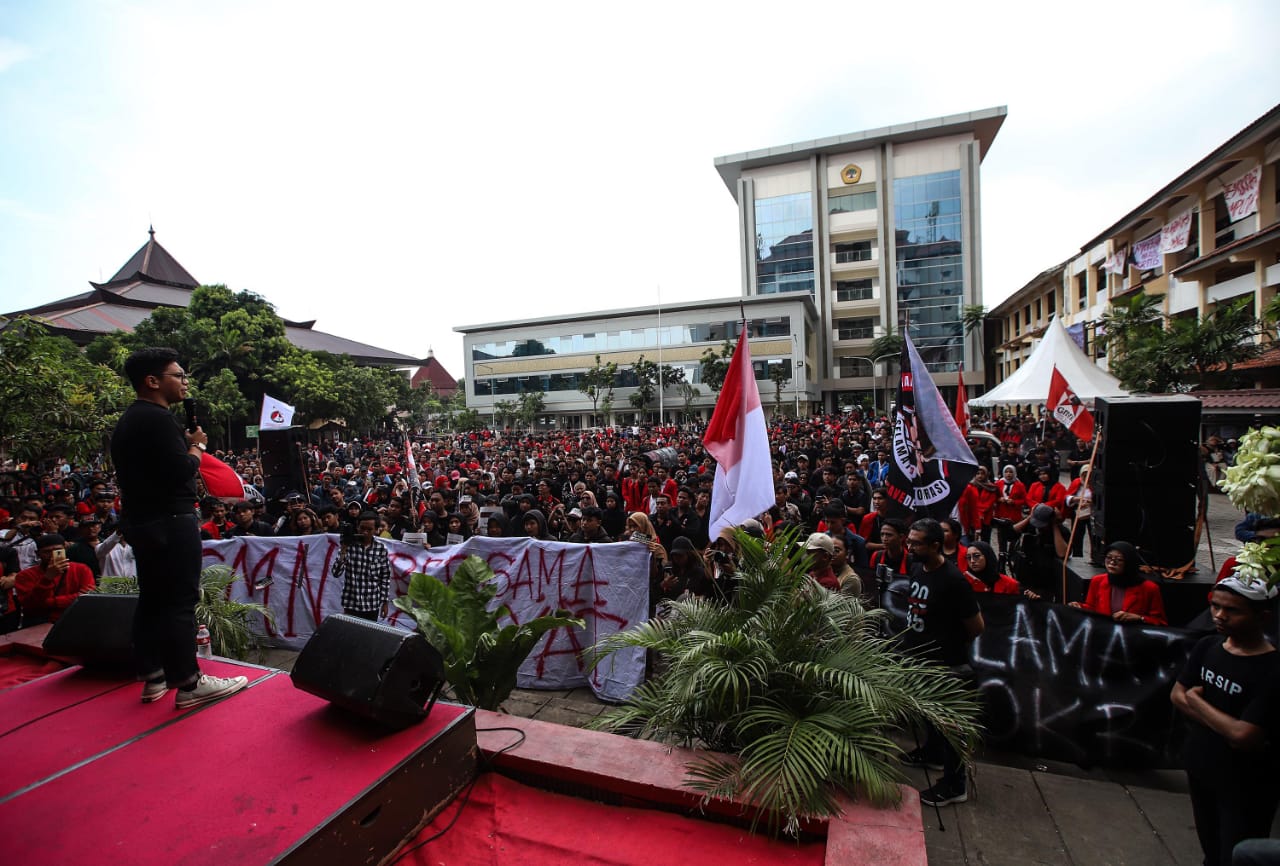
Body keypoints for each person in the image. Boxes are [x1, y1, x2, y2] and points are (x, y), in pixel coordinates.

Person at [110, 347, 248, 708]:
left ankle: (153, 676)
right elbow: (179, 471)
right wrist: (197, 448)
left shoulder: (131, 419)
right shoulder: (157, 419)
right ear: (153, 381)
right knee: (179, 601)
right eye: (178, 375)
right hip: (171, 520)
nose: (185, 382)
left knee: (153, 598)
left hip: (144, 521)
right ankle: (189, 682)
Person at [1171, 575, 1280, 866]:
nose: (1219, 616)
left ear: (1263, 616)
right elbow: (1176, 694)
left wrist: (1196, 701)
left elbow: (1245, 736)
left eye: (1232, 610)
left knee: (1236, 853)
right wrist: (1225, 726)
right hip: (1201, 767)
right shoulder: (1208, 646)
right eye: (1216, 607)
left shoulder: (1272, 670)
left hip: (1246, 783)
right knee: (1211, 849)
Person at [900, 517, 983, 807]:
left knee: (950, 727)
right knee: (929, 717)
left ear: (936, 545)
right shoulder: (916, 569)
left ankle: (954, 784)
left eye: (917, 543)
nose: (910, 547)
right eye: (909, 541)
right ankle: (932, 754)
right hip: (920, 659)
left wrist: (947, 641)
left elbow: (976, 626)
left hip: (946, 665)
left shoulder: (954, 581)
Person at [1069, 541, 1167, 625]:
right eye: (1109, 558)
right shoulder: (1097, 581)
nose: (1112, 563)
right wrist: (1080, 607)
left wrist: (1139, 618)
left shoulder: (1149, 588)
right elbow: (1092, 608)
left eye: (1119, 560)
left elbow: (1160, 621)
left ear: (1129, 562)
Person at [14, 533, 96, 625]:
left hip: (75, 621)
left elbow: (86, 598)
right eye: (47, 552)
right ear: (38, 554)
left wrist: (50, 602)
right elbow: (30, 604)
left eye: (57, 551)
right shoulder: (25, 575)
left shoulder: (81, 569)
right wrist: (47, 578)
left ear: (65, 549)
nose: (52, 555)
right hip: (42, 625)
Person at [332, 511, 392, 620]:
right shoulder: (349, 546)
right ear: (357, 527)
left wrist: (385, 602)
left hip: (372, 604)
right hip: (351, 603)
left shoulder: (381, 549)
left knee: (369, 635)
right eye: (362, 528)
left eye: (369, 530)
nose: (365, 532)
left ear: (376, 530)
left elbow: (385, 577)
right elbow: (336, 573)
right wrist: (344, 550)